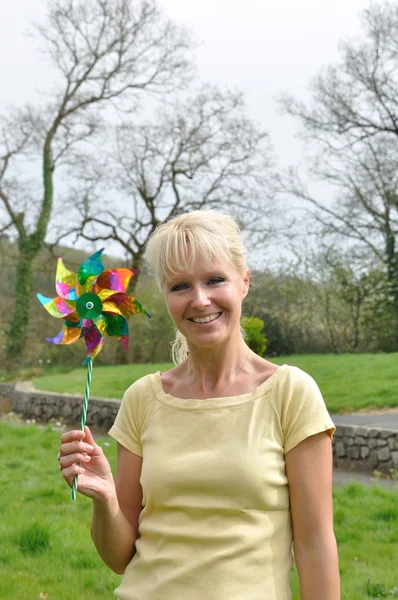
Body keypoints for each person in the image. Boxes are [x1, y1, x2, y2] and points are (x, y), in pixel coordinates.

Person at [58, 210, 340, 600]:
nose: (200, 299)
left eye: (214, 280)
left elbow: (315, 546)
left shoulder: (290, 393)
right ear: (166, 297)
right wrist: (106, 500)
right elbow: (120, 557)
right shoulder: (142, 398)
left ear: (244, 282)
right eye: (180, 286)